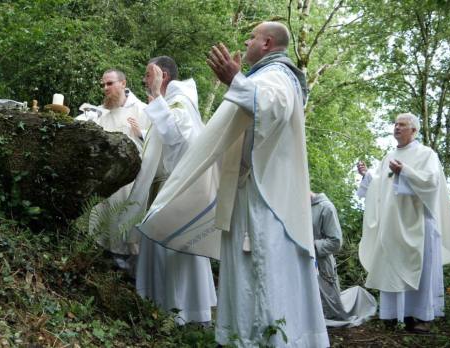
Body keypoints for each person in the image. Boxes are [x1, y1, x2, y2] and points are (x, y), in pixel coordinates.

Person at [204, 22, 329, 346]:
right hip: (248, 193)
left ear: (267, 43)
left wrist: (235, 81)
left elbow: (272, 105)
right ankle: (239, 337)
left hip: (264, 199)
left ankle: (265, 340)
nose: (246, 42)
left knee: (261, 273)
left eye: (251, 37)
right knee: (245, 275)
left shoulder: (278, 75)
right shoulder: (263, 76)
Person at [131, 56, 217, 325]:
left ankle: (180, 314)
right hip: (164, 190)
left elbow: (178, 140)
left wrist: (156, 96)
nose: (145, 80)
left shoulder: (181, 103)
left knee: (173, 251)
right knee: (158, 250)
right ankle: (157, 309)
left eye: (149, 74)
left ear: (162, 75)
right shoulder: (171, 104)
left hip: (176, 193)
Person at [357, 112, 450, 333]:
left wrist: (405, 171)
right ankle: (392, 315)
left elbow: (432, 182)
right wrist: (367, 177)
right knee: (391, 265)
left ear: (414, 130)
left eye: (402, 125)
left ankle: (421, 317)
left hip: (419, 223)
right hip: (393, 225)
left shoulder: (426, 154)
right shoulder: (388, 156)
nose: (397, 128)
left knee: (421, 269)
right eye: (395, 124)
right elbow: (380, 188)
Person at [80, 69, 150, 273]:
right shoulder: (101, 111)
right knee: (101, 224)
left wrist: (141, 134)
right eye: (103, 85)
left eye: (109, 84)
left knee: (124, 227)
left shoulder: (143, 110)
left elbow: (156, 143)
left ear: (123, 83)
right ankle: (99, 267)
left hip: (130, 183)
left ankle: (126, 276)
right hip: (104, 180)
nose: (105, 89)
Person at [310, 192, 349, 320]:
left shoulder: (326, 207)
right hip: (302, 265)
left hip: (322, 267)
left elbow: (336, 242)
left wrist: (312, 244)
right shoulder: (298, 208)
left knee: (331, 315)